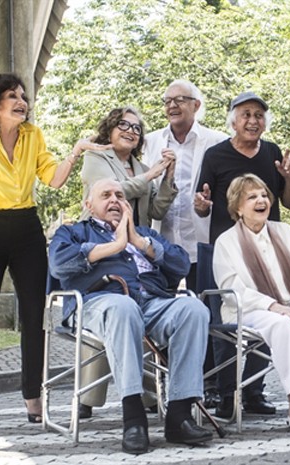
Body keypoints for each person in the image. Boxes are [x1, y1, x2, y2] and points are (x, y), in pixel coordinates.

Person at [0, 73, 103, 427]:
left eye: (23, 95)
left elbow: (53, 179)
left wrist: (76, 151)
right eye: (12, 95)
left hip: (26, 228)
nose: (21, 100)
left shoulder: (33, 136)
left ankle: (34, 400)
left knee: (34, 315)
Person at [49, 178, 212, 454]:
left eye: (119, 195)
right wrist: (115, 245)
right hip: (97, 303)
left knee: (193, 309)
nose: (114, 200)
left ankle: (179, 415)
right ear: (88, 205)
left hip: (150, 304)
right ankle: (134, 419)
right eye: (106, 195)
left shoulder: (145, 233)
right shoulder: (74, 232)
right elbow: (59, 264)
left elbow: (182, 264)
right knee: (123, 308)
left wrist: (139, 241)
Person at [194, 91, 290, 418]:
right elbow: (202, 205)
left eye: (258, 115)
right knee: (226, 324)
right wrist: (201, 206)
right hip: (226, 253)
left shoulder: (272, 152)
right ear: (233, 121)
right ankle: (227, 395)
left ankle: (254, 390)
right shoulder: (215, 155)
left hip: (267, 251)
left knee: (271, 316)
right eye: (246, 115)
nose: (253, 121)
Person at [77, 106, 178, 418]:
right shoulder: (96, 158)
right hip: (102, 242)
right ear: (109, 128)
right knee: (109, 309)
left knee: (140, 306)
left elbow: (157, 211)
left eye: (137, 128)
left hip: (134, 247)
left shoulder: (142, 166)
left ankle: (147, 395)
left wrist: (167, 177)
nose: (131, 131)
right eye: (123, 124)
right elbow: (114, 192)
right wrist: (151, 175)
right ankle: (87, 396)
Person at [213, 174, 290, 435]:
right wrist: (272, 306)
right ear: (238, 207)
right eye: (252, 197)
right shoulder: (226, 241)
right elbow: (232, 289)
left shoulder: (285, 232)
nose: (261, 200)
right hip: (248, 311)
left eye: (264, 195)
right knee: (284, 325)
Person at [143, 80, 228, 408]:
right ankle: (160, 384)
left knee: (204, 313)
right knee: (155, 314)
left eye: (180, 100)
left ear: (196, 105)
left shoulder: (216, 141)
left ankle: (208, 383)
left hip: (201, 242)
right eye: (167, 101)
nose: (172, 106)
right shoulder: (149, 143)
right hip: (158, 246)